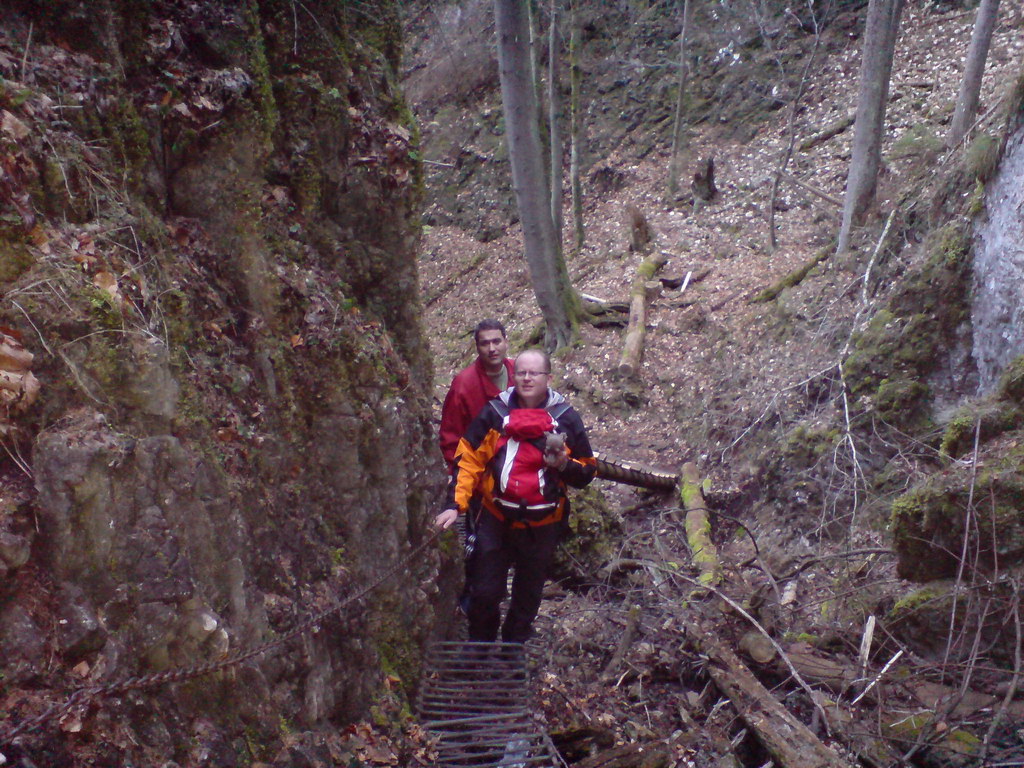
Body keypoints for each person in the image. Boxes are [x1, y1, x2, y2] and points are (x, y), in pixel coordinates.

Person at [435, 349, 596, 644]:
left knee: (529, 591)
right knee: (484, 590)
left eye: (534, 373)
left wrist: (563, 465)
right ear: (513, 375)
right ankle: (480, 644)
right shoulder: (495, 412)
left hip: (544, 522)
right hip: (496, 518)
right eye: (521, 372)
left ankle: (513, 645)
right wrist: (454, 505)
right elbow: (468, 459)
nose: (527, 378)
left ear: (548, 377)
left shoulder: (566, 419)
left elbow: (587, 472)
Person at [439, 319, 515, 471]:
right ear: (477, 347)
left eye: (496, 341)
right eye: (485, 343)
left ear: (506, 342)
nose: (492, 348)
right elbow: (450, 438)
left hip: (521, 465)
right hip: (481, 469)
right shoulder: (464, 384)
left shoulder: (520, 372)